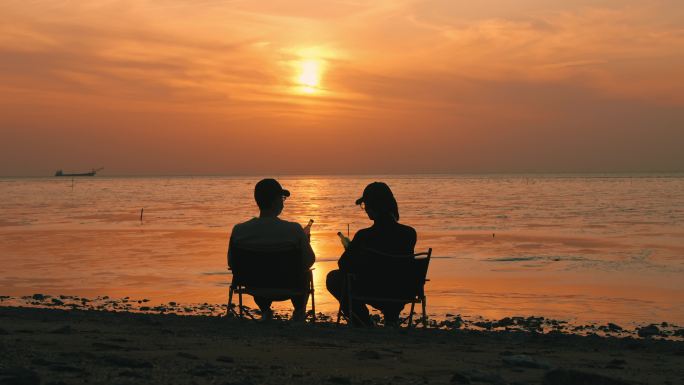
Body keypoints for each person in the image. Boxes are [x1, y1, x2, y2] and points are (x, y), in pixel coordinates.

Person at [326, 182, 417, 327]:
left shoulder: (364, 236)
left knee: (333, 278)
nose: (365, 209)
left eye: (366, 204)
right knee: (391, 276)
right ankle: (391, 317)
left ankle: (361, 320)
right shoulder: (409, 233)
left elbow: (343, 265)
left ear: (375, 206)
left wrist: (354, 253)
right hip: (402, 291)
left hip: (372, 289)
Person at [227, 178, 315, 321]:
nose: (283, 202)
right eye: (282, 198)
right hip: (290, 286)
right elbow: (309, 261)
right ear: (275, 201)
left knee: (259, 269)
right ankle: (299, 312)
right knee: (305, 273)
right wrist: (305, 241)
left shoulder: (239, 230)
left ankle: (266, 311)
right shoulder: (294, 230)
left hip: (254, 285)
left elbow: (232, 263)